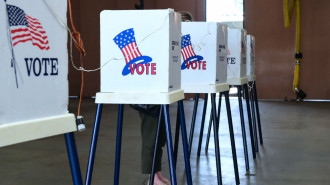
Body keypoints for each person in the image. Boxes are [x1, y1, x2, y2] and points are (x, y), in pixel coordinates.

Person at [139, 11, 193, 185]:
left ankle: (157, 174)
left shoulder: (172, 41)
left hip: (161, 94)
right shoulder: (161, 38)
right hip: (150, 95)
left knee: (160, 136)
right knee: (151, 137)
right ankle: (151, 178)